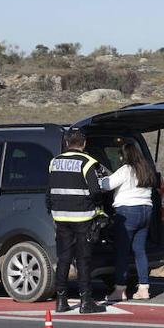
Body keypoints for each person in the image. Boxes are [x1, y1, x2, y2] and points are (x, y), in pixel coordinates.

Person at [47, 129, 110, 314]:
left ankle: (61, 300)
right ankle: (86, 301)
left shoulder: (54, 162)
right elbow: (96, 191)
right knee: (83, 260)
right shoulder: (88, 162)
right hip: (83, 217)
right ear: (84, 144)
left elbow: (49, 189)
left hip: (60, 217)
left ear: (67, 143)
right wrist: (100, 209)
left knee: (64, 259)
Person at [101, 141, 155, 301]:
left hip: (127, 212)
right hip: (146, 211)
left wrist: (103, 176)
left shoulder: (125, 170)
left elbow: (107, 185)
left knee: (122, 252)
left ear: (123, 156)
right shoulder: (145, 169)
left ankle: (120, 290)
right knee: (139, 250)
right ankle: (144, 288)